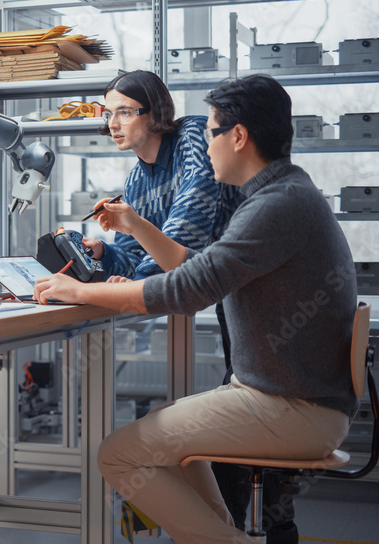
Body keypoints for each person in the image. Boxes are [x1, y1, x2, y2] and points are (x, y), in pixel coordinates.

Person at [34, 74, 359, 543]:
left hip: (294, 407)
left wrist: (79, 291)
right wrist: (127, 237)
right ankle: (220, 534)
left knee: (117, 455)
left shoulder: (275, 206)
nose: (204, 148)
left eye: (210, 133)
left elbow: (186, 289)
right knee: (167, 430)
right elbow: (190, 268)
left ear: (239, 136)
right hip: (293, 397)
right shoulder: (283, 195)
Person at [85, 69, 243, 280]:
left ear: (155, 112)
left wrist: (135, 286)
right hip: (223, 286)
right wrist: (103, 252)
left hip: (257, 279)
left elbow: (182, 241)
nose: (112, 124)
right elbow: (137, 256)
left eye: (124, 113)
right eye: (108, 114)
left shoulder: (193, 136)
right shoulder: (134, 182)